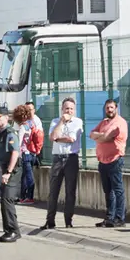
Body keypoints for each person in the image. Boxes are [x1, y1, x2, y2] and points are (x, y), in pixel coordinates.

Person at [40, 97, 83, 230]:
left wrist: (58, 139)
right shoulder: (55, 121)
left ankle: (68, 221)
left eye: (71, 108)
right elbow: (52, 137)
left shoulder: (78, 122)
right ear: (62, 109)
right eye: (66, 108)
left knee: (70, 191)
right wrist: (61, 122)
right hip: (57, 158)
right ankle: (50, 220)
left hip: (71, 158)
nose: (68, 111)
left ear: (74, 110)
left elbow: (71, 139)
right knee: (53, 191)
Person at [90, 98, 128, 228]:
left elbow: (108, 137)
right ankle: (109, 217)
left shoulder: (120, 123)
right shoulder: (104, 122)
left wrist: (100, 137)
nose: (109, 110)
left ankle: (119, 218)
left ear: (116, 108)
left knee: (118, 190)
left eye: (111, 107)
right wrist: (102, 136)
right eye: (107, 108)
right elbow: (91, 134)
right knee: (108, 191)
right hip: (103, 161)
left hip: (115, 160)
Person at [0, 105, 21, 243]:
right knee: (4, 200)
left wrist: (8, 172)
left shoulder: (10, 133)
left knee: (7, 200)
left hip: (12, 170)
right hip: (6, 170)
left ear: (6, 118)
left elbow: (15, 153)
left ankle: (14, 231)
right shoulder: (2, 133)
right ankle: (8, 231)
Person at [13, 102, 44, 205]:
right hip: (33, 153)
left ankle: (29, 197)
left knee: (28, 176)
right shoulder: (32, 124)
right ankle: (23, 197)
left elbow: (19, 142)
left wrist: (16, 156)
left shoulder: (23, 127)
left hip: (25, 153)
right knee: (25, 176)